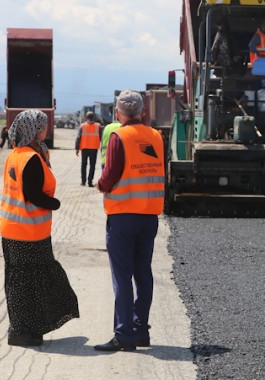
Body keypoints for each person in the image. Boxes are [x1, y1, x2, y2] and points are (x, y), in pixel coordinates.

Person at [0, 110, 79, 347]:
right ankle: (23, 330)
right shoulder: (31, 158)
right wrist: (55, 203)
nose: (47, 130)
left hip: (13, 229)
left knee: (19, 280)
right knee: (31, 281)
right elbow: (33, 195)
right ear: (33, 130)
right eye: (43, 126)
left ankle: (24, 329)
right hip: (28, 232)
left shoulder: (17, 154)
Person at [95, 90, 165, 352]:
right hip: (149, 215)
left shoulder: (118, 136)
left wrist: (100, 185)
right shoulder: (156, 136)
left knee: (122, 275)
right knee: (143, 272)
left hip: (123, 214)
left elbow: (110, 174)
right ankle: (140, 331)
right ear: (143, 112)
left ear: (117, 114)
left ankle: (124, 335)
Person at [76, 111, 102, 187]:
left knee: (83, 165)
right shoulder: (98, 126)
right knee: (92, 165)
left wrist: (77, 148)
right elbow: (100, 137)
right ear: (94, 117)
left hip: (84, 147)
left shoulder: (82, 126)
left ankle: (83, 181)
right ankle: (90, 181)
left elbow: (78, 138)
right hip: (94, 148)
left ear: (86, 117)